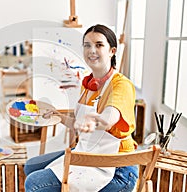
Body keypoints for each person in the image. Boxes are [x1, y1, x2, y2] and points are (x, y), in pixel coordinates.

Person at [24, 24, 138, 192]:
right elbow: (79, 124)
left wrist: (94, 121)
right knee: (30, 166)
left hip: (116, 167)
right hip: (88, 152)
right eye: (87, 45)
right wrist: (58, 116)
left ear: (112, 51)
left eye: (99, 45)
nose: (92, 50)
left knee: (34, 183)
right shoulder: (87, 84)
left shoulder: (121, 85)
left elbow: (109, 118)